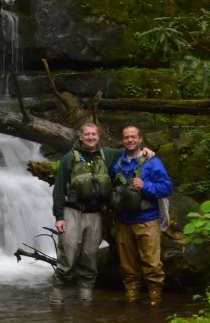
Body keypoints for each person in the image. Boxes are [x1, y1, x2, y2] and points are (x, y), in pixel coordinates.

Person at [49, 123, 153, 304]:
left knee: (90, 255)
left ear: (98, 136)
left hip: (95, 214)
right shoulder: (69, 158)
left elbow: (130, 152)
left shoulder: (108, 155)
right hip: (72, 211)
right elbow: (59, 189)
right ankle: (57, 293)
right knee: (69, 252)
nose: (90, 137)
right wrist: (59, 217)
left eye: (93, 134)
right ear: (80, 137)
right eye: (87, 134)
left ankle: (85, 294)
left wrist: (145, 151)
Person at [110, 125, 173, 306]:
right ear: (123, 140)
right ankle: (132, 300)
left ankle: (155, 300)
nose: (130, 140)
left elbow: (167, 188)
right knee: (128, 267)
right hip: (123, 222)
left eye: (133, 137)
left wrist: (145, 185)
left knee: (152, 265)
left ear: (140, 139)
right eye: (126, 137)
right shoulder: (118, 163)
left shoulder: (152, 162)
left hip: (147, 221)